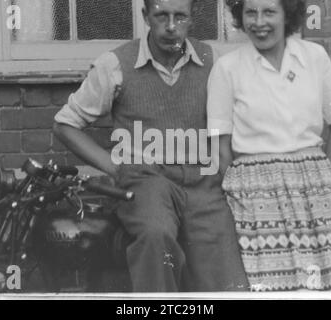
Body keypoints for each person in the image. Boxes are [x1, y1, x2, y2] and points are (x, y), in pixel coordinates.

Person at [53, 0, 248, 292]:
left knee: (223, 268)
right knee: (156, 235)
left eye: (180, 16)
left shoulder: (212, 61)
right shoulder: (115, 64)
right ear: (146, 16)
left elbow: (231, 124)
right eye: (161, 16)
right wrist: (114, 167)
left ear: (192, 18)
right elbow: (65, 124)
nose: (171, 27)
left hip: (201, 182)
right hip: (146, 181)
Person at [207, 0, 331, 291]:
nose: (259, 22)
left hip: (316, 187)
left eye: (269, 12)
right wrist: (239, 191)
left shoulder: (314, 57)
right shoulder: (227, 68)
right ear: (240, 17)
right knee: (271, 286)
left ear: (287, 15)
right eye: (250, 12)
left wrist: (325, 176)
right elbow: (221, 146)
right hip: (255, 194)